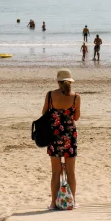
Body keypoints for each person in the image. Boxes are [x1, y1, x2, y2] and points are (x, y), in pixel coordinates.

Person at [42, 69, 81, 210]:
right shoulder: (76, 97)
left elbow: (44, 113)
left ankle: (53, 203)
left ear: (58, 82)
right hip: (70, 136)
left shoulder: (50, 95)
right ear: (70, 82)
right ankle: (73, 201)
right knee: (71, 171)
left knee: (55, 172)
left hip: (54, 136)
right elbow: (76, 117)